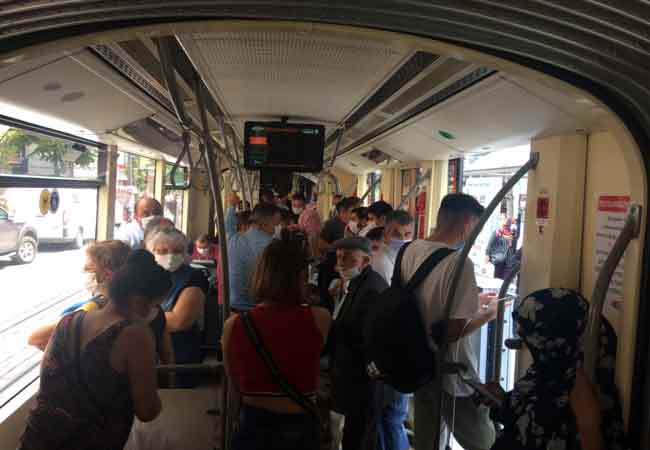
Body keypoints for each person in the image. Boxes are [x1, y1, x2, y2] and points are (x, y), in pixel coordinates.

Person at [19, 250, 171, 450]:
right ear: (138, 301)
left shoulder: (68, 321)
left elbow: (48, 383)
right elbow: (147, 411)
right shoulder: (136, 335)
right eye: (155, 305)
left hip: (38, 437)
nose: (154, 312)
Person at [398, 193, 497, 450]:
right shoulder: (459, 263)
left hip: (418, 362)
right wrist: (487, 314)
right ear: (467, 223)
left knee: (428, 439)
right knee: (483, 440)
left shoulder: (409, 249)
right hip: (452, 371)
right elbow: (451, 331)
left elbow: (423, 296)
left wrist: (473, 300)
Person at [222, 231, 331, 450]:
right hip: (300, 424)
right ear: (301, 278)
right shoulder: (320, 318)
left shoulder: (234, 325)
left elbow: (234, 385)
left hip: (253, 424)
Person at [485, 289, 606, 450]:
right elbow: (523, 417)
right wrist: (500, 399)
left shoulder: (579, 387)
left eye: (531, 339)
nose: (527, 345)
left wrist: (589, 428)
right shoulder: (546, 371)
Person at [329, 236, 388, 450]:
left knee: (359, 434)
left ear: (366, 261)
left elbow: (364, 335)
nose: (342, 263)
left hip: (361, 377)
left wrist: (328, 325)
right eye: (339, 257)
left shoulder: (371, 289)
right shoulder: (354, 283)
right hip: (350, 372)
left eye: (350, 259)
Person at [147, 228, 208, 387]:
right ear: (151, 251)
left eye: (177, 251)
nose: (170, 256)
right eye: (162, 251)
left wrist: (139, 316)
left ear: (185, 253)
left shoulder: (194, 277)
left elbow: (179, 321)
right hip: (148, 352)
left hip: (180, 351)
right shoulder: (148, 275)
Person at [228, 203, 282, 312]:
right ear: (264, 223)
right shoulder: (272, 246)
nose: (279, 227)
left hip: (234, 304)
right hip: (258, 308)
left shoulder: (235, 240)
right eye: (277, 223)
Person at [485, 213, 515, 280]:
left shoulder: (511, 234)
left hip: (507, 263)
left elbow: (511, 248)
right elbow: (490, 244)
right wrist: (487, 255)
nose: (506, 223)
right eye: (504, 220)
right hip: (497, 262)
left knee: (503, 282)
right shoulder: (497, 232)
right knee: (495, 280)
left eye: (508, 222)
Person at [291, 192, 322, 257]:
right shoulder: (304, 214)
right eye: (293, 205)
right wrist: (298, 227)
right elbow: (305, 228)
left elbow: (312, 236)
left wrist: (314, 255)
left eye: (297, 205)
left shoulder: (309, 214)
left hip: (313, 249)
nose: (295, 208)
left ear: (303, 203)